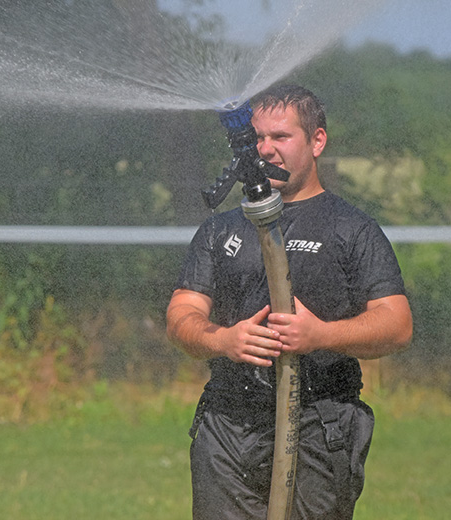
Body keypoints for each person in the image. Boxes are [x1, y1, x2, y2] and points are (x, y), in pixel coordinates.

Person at [166, 84, 412, 519]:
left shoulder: (351, 228)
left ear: (317, 141)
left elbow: (397, 324)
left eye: (281, 136)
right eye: (259, 138)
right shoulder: (221, 230)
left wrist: (321, 335)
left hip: (318, 424)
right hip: (229, 425)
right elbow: (181, 316)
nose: (266, 149)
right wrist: (224, 340)